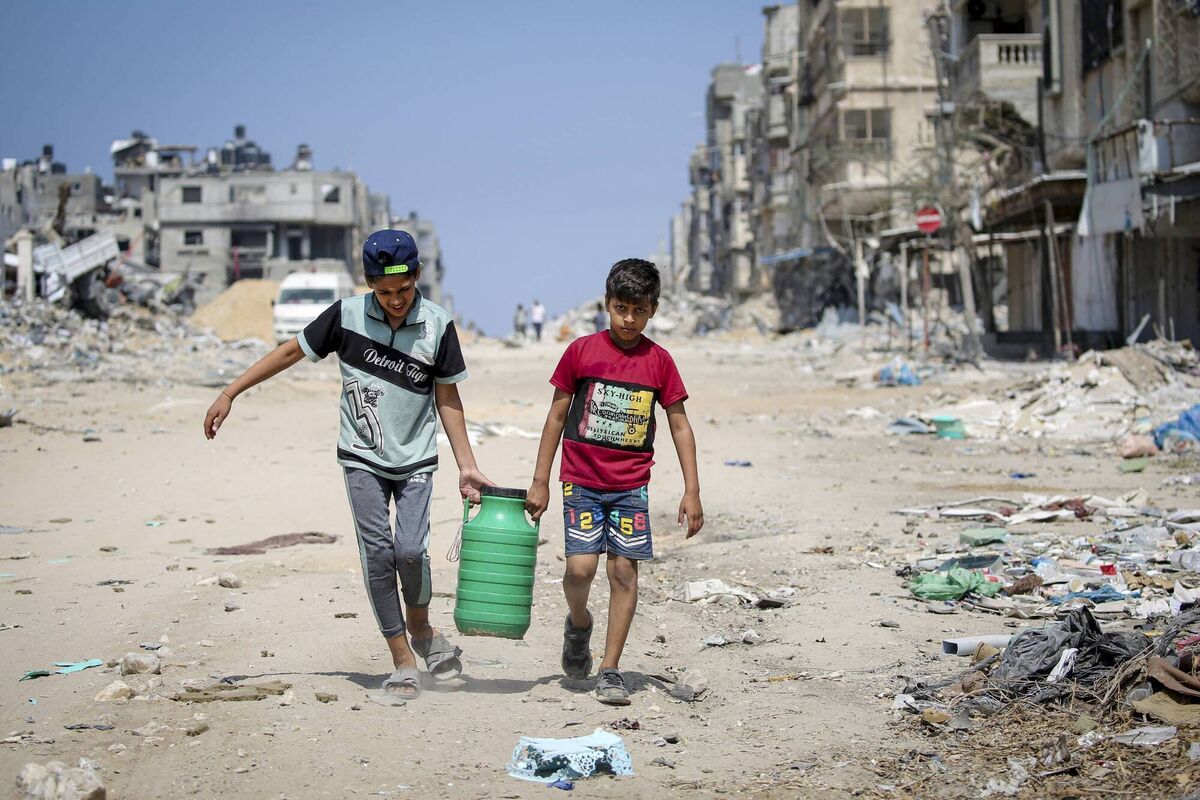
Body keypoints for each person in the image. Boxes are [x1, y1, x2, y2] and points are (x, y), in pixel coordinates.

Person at [203, 229, 491, 703]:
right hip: (361, 457)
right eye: (385, 292)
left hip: (417, 456)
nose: (396, 301)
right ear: (369, 284)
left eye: (403, 290)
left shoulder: (438, 324)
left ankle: (421, 629)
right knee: (378, 554)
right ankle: (402, 657)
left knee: (411, 551)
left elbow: (447, 395)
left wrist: (467, 464)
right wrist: (230, 391)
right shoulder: (346, 316)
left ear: (417, 277)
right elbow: (290, 351)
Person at [526, 259, 703, 705]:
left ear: (654, 310)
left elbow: (680, 424)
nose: (629, 319)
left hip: (630, 486)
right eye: (621, 308)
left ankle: (610, 668)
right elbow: (556, 416)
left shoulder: (659, 362)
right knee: (579, 569)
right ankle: (579, 622)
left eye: (639, 311)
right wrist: (540, 481)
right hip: (581, 481)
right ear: (607, 303)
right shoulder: (581, 352)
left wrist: (692, 489)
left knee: (623, 572)